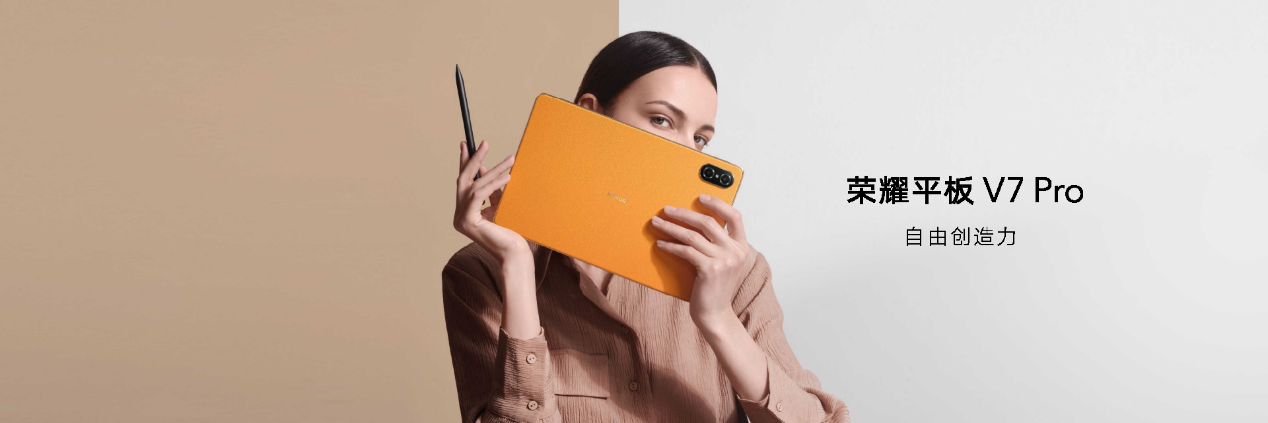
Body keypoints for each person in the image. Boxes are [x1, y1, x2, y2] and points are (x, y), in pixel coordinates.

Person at [443, 31, 849, 423]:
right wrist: (516, 267)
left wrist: (719, 319)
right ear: (590, 113)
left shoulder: (735, 272)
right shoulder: (480, 273)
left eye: (700, 139)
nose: (686, 151)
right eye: (662, 120)